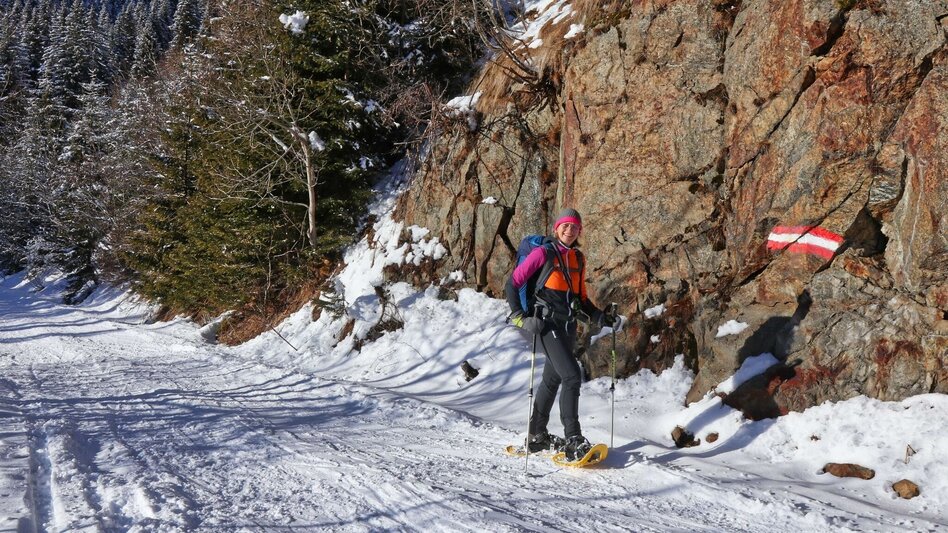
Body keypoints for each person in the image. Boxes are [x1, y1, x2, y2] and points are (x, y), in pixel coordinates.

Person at [505, 208, 616, 460]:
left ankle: (536, 435)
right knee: (572, 376)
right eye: (565, 225)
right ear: (557, 228)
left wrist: (601, 317)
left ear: (579, 231)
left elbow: (581, 300)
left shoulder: (578, 258)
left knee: (552, 379)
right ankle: (573, 438)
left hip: (567, 326)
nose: (569, 230)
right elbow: (512, 283)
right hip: (545, 325)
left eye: (574, 227)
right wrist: (520, 317)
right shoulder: (543, 253)